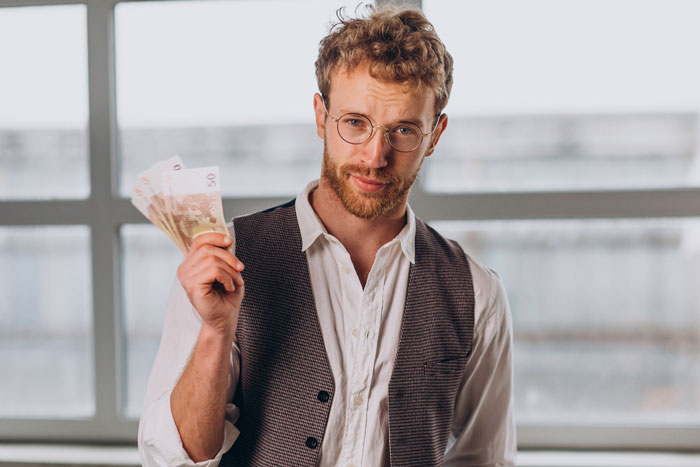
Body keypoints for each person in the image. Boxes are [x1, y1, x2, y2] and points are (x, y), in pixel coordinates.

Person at [138, 5, 516, 467]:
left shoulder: (478, 292)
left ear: (435, 135)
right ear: (321, 116)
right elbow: (177, 459)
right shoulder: (225, 259)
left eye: (403, 130)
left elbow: (484, 459)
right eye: (354, 122)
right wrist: (217, 331)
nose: (375, 157)